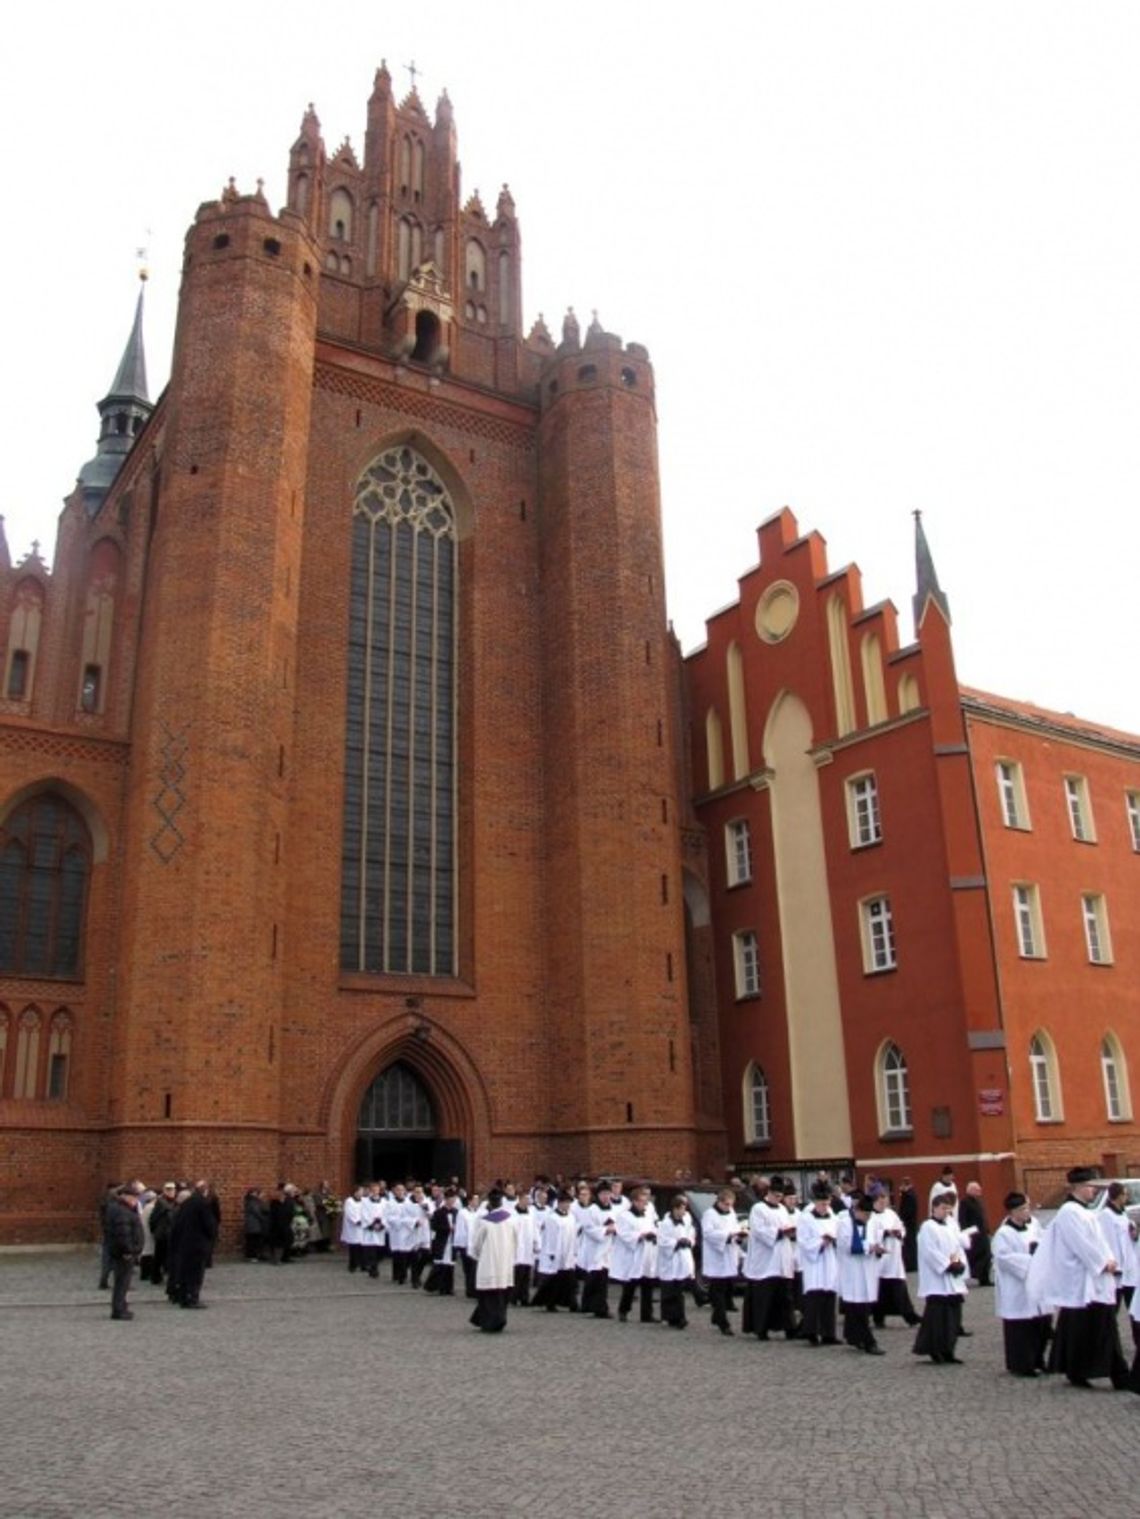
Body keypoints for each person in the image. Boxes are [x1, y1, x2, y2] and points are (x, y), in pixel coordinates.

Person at [1029, 1166, 1128, 1389]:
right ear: (1079, 1187)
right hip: (1083, 1280)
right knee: (1095, 1326)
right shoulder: (1069, 1212)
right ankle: (1113, 1372)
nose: (1093, 1190)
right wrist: (1103, 1263)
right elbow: (1081, 1244)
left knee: (1087, 1327)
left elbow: (1099, 1241)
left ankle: (1081, 1369)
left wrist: (1110, 1259)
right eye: (1091, 1186)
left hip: (1093, 1279)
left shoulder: (1085, 1212)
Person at [991, 1192, 1050, 1377]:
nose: (1027, 1212)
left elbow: (1044, 1241)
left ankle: (1039, 1359)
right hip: (1017, 1287)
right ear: (1013, 1211)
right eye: (1023, 1209)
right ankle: (1022, 1364)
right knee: (1021, 1328)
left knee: (1040, 1325)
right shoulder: (1004, 1233)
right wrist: (1031, 1261)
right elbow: (1004, 1258)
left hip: (1036, 1285)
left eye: (1027, 1207)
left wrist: (1040, 1252)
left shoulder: (1033, 1225)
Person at [913, 1190, 969, 1364]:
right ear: (934, 1208)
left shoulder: (949, 1226)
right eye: (943, 1208)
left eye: (948, 1209)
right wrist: (946, 1265)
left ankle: (949, 1349)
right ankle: (935, 1349)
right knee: (938, 1319)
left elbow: (956, 1248)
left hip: (952, 1280)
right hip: (937, 1280)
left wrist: (957, 1263)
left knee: (953, 1318)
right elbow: (929, 1251)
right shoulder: (927, 1227)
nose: (946, 1212)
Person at [743, 1176, 796, 1340]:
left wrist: (790, 1232)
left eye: (781, 1197)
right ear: (769, 1193)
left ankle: (788, 1327)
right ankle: (762, 1328)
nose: (779, 1199)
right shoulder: (758, 1208)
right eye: (776, 1196)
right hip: (765, 1259)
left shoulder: (782, 1209)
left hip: (781, 1258)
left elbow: (787, 1225)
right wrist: (778, 1233)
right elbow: (758, 1230)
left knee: (785, 1296)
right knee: (764, 1297)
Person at [835, 1194, 884, 1354]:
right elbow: (847, 1246)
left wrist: (878, 1248)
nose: (868, 1218)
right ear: (857, 1211)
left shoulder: (872, 1222)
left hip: (867, 1269)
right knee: (857, 1307)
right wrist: (869, 1247)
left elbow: (877, 1239)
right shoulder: (844, 1223)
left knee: (860, 1306)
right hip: (851, 1270)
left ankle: (853, 1336)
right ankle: (870, 1342)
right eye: (865, 1215)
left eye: (870, 1215)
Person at [468, 1187, 517, 1332]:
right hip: (505, 1263)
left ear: (489, 1203)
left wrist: (476, 1255)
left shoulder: (485, 1222)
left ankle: (490, 1322)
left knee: (488, 1294)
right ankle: (499, 1318)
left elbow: (477, 1244)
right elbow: (515, 1241)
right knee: (501, 1293)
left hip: (488, 1262)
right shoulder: (511, 1220)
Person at [869, 1188, 920, 1327]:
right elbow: (870, 1234)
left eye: (885, 1199)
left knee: (899, 1288)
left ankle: (910, 1316)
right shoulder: (870, 1216)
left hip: (893, 1258)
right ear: (874, 1201)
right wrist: (885, 1233)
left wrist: (899, 1233)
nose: (884, 1202)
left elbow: (901, 1227)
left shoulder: (891, 1213)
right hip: (879, 1258)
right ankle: (878, 1318)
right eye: (881, 1200)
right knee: (880, 1290)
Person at [797, 1181, 839, 1346]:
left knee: (829, 1295)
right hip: (814, 1261)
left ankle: (829, 1333)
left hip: (829, 1260)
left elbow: (839, 1233)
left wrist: (833, 1239)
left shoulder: (833, 1217)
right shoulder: (806, 1219)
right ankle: (812, 1332)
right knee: (815, 1296)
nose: (825, 1206)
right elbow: (803, 1241)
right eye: (822, 1204)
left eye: (828, 1203)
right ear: (815, 1203)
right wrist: (820, 1242)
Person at [611, 1184, 659, 1323]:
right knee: (630, 1285)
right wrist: (640, 1236)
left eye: (646, 1201)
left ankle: (647, 1314)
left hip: (646, 1253)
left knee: (648, 1284)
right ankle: (623, 1310)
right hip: (633, 1254)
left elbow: (654, 1226)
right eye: (642, 1201)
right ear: (635, 1201)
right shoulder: (625, 1216)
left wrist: (653, 1234)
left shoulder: (647, 1214)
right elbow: (624, 1234)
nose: (645, 1204)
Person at [701, 1188, 745, 1336]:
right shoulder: (709, 1215)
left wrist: (739, 1235)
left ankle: (716, 1316)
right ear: (719, 1202)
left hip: (729, 1254)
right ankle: (723, 1322)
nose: (729, 1207)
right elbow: (708, 1233)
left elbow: (735, 1227)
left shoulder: (731, 1213)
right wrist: (727, 1235)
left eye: (731, 1204)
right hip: (716, 1255)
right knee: (718, 1289)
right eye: (726, 1204)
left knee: (725, 1287)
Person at [169, 1179, 218, 1308]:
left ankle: (183, 1297)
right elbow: (210, 1225)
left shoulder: (186, 1203)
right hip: (198, 1244)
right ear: (206, 1191)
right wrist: (212, 1237)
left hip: (184, 1244)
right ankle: (192, 1298)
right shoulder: (203, 1204)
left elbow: (177, 1224)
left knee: (185, 1272)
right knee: (196, 1273)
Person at [532, 1189, 578, 1312]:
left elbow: (573, 1235)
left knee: (569, 1278)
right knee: (554, 1280)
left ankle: (571, 1302)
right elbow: (550, 1237)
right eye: (565, 1203)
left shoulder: (571, 1217)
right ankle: (550, 1302)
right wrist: (552, 1253)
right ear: (559, 1203)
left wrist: (574, 1250)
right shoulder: (552, 1218)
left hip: (568, 1252)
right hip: (556, 1252)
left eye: (569, 1203)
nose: (567, 1205)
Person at [579, 1178, 618, 1318]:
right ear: (598, 1195)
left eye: (608, 1193)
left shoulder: (612, 1209)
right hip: (594, 1248)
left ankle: (601, 1307)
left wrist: (614, 1228)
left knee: (603, 1279)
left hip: (606, 1248)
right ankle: (589, 1305)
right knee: (594, 1278)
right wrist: (605, 1230)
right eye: (603, 1194)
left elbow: (616, 1223)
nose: (606, 1196)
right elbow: (589, 1229)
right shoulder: (592, 1210)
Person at [657, 1195, 697, 1329]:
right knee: (669, 1290)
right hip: (670, 1259)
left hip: (682, 1257)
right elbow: (662, 1241)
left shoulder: (687, 1218)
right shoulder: (665, 1223)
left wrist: (689, 1241)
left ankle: (680, 1317)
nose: (683, 1211)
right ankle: (669, 1317)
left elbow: (691, 1231)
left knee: (679, 1290)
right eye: (681, 1208)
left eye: (685, 1208)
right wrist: (675, 1243)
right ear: (674, 1209)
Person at [106, 1185, 144, 1321]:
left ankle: (121, 1306)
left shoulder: (119, 1209)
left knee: (122, 1282)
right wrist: (129, 1250)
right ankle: (119, 1309)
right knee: (122, 1282)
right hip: (124, 1253)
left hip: (121, 1251)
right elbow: (123, 1234)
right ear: (128, 1197)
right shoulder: (123, 1212)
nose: (136, 1200)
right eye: (135, 1197)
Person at [1097, 1183, 1134, 1309]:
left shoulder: (1122, 1213)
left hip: (1129, 1269)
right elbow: (1108, 1241)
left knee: (1133, 1307)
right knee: (1114, 1307)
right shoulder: (1106, 1215)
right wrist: (1114, 1264)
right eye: (1124, 1194)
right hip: (1116, 1269)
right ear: (1118, 1196)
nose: (1126, 1197)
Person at [425, 1188, 459, 1295]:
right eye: (450, 1199)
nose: (452, 1201)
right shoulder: (439, 1212)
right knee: (441, 1265)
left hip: (452, 1241)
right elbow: (434, 1226)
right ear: (446, 1199)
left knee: (450, 1265)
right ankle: (438, 1287)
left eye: (454, 1199)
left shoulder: (456, 1212)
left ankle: (449, 1288)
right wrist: (448, 1228)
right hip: (442, 1240)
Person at [958, 1181, 992, 1286]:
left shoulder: (978, 1201)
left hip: (982, 1234)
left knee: (987, 1255)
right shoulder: (964, 1202)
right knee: (977, 1256)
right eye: (977, 1189)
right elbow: (962, 1219)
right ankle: (977, 1275)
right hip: (973, 1235)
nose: (980, 1191)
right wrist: (966, 1232)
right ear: (971, 1190)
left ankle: (985, 1278)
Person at [897, 1177, 919, 1273]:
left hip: (908, 1224)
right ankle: (911, 1264)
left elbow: (906, 1211)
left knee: (909, 1245)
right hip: (911, 1224)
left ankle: (910, 1265)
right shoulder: (911, 1195)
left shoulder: (908, 1196)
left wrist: (901, 1219)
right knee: (910, 1245)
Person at [243, 1187, 269, 1262]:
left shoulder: (252, 1201)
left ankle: (253, 1255)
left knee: (253, 1240)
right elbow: (257, 1212)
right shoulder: (253, 1202)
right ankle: (252, 1256)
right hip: (254, 1224)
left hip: (253, 1223)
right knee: (253, 1240)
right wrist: (263, 1219)